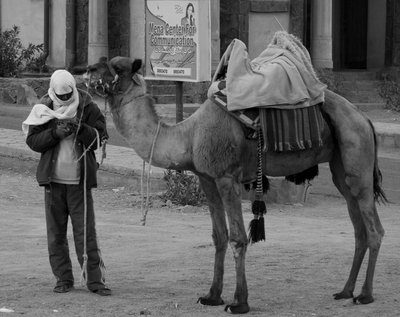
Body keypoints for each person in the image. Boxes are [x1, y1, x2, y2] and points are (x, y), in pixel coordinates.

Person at [22, 70, 111, 296]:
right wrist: (55, 134)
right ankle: (63, 279)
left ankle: (95, 282)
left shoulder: (87, 107)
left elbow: (101, 137)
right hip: (53, 183)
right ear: (53, 91)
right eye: (61, 97)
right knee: (56, 235)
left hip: (79, 184)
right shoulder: (43, 109)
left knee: (86, 234)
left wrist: (82, 130)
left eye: (68, 95)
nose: (65, 100)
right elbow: (32, 141)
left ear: (73, 88)